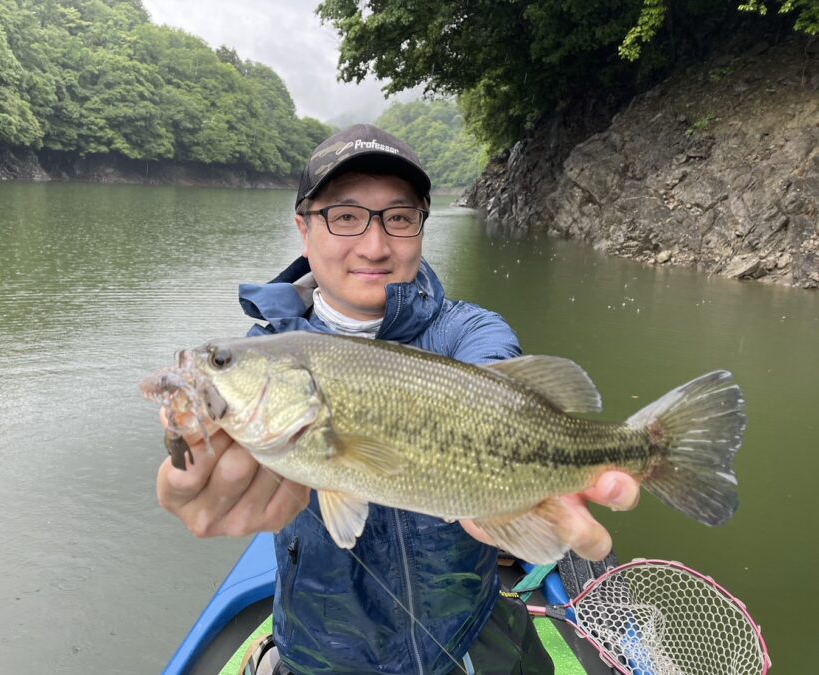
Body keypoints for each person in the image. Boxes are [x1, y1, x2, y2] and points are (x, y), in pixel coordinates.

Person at [156, 124, 640, 674]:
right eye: (344, 216)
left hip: (467, 639)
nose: (374, 244)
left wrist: (500, 499)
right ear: (303, 228)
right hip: (321, 655)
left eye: (399, 217)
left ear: (421, 228)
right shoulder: (267, 352)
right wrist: (187, 464)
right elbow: (197, 443)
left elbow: (491, 372)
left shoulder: (470, 332)